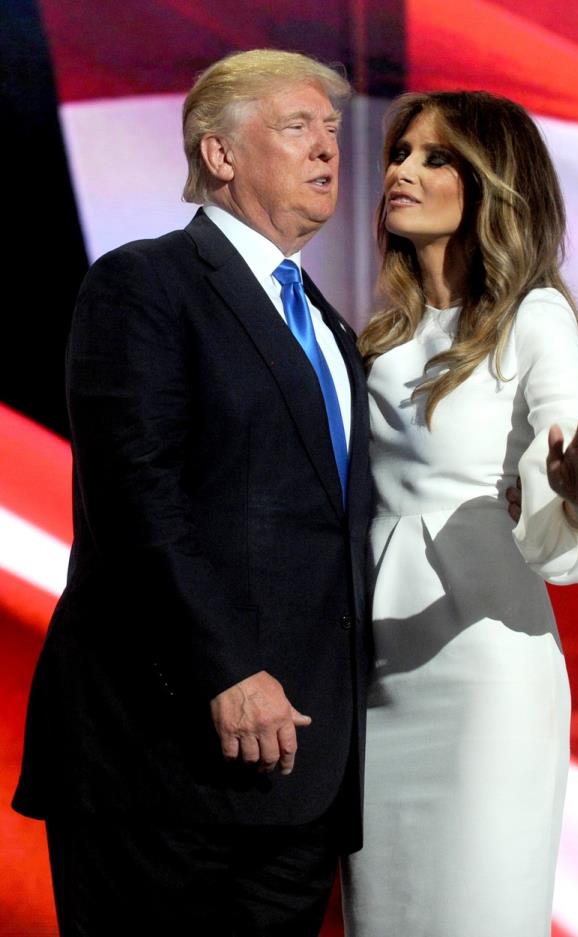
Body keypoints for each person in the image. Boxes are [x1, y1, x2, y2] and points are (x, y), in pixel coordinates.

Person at [13, 49, 372, 937]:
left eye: (331, 129)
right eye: (298, 126)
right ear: (220, 153)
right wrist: (225, 669)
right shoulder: (144, 283)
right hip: (160, 758)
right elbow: (136, 498)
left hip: (300, 776)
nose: (327, 148)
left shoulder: (329, 327)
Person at [341, 91, 578, 937]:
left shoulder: (534, 316)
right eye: (400, 153)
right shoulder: (376, 341)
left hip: (485, 678)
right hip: (377, 679)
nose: (402, 171)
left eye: (435, 157)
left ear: (490, 183)